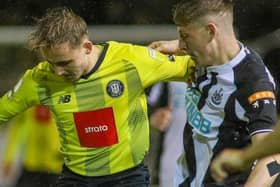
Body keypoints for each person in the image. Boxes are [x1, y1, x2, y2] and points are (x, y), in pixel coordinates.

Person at [0, 7, 195, 187]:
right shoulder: (40, 79)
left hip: (127, 178)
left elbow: (196, 66)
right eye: (52, 63)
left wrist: (180, 44)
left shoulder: (131, 60)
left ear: (87, 47)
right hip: (74, 178)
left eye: (65, 62)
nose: (58, 72)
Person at [149, 0, 280, 186]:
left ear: (211, 31)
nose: (182, 45)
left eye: (185, 36)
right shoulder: (203, 58)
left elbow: (273, 159)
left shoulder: (253, 83)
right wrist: (179, 43)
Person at [2, 105, 62, 187]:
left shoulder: (63, 101)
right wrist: (8, 158)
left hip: (55, 165)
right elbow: (16, 130)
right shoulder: (28, 102)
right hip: (31, 164)